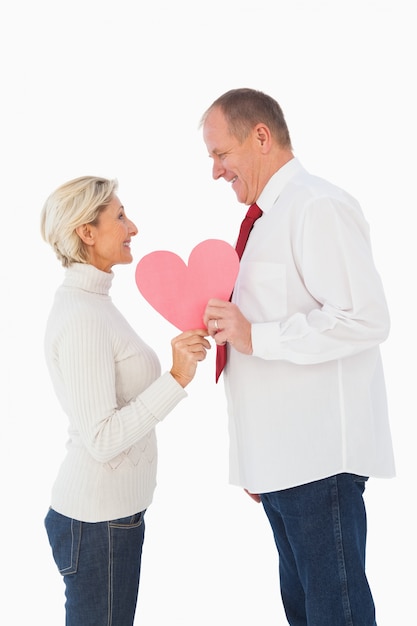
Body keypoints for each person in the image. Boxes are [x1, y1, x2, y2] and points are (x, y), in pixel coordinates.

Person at [200, 88, 395, 626]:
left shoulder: (317, 206)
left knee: (336, 615)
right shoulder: (267, 220)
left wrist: (253, 335)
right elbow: (258, 338)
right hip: (282, 463)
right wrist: (253, 458)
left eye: (221, 154)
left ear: (261, 137)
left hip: (317, 462)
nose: (215, 171)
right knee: (306, 614)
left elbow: (365, 318)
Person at [40, 175, 210, 626]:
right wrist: (176, 377)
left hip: (111, 519)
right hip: (97, 524)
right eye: (119, 217)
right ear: (87, 232)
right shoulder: (81, 316)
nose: (132, 227)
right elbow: (101, 438)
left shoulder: (95, 304)